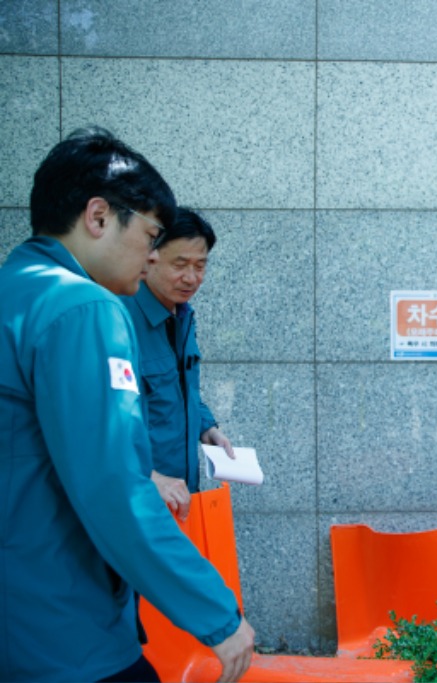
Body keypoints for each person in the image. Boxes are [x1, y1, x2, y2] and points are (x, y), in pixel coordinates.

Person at [0, 126, 254, 682]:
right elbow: (112, 487)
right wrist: (217, 613)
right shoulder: (83, 308)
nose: (152, 257)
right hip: (64, 627)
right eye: (150, 235)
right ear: (98, 217)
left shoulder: (15, 290)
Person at [123, 207, 233, 522]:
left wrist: (207, 427)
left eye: (200, 266)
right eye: (180, 264)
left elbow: (183, 389)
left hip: (181, 494)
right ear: (149, 257)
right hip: (139, 496)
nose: (191, 278)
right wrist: (146, 476)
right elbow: (100, 420)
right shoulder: (120, 318)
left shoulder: (182, 316)